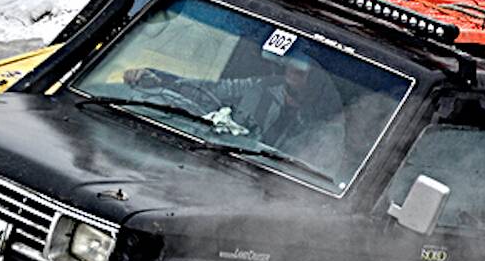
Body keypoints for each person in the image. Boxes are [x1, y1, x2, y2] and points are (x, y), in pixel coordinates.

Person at [122, 52, 346, 173]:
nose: (293, 75)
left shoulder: (327, 125)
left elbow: (313, 176)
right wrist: (158, 78)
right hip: (213, 162)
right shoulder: (262, 86)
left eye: (303, 73)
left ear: (320, 81)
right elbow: (208, 90)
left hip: (261, 188)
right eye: (292, 69)